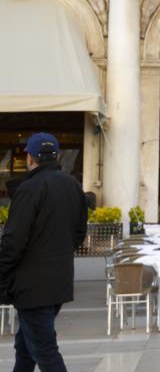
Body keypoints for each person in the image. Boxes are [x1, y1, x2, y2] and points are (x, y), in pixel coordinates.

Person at [0, 132, 88, 372]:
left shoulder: (29, 189)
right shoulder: (73, 186)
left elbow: (13, 240)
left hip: (31, 286)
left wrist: (3, 274)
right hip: (58, 282)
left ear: (30, 158)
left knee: (44, 350)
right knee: (26, 347)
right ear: (57, 155)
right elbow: (80, 233)